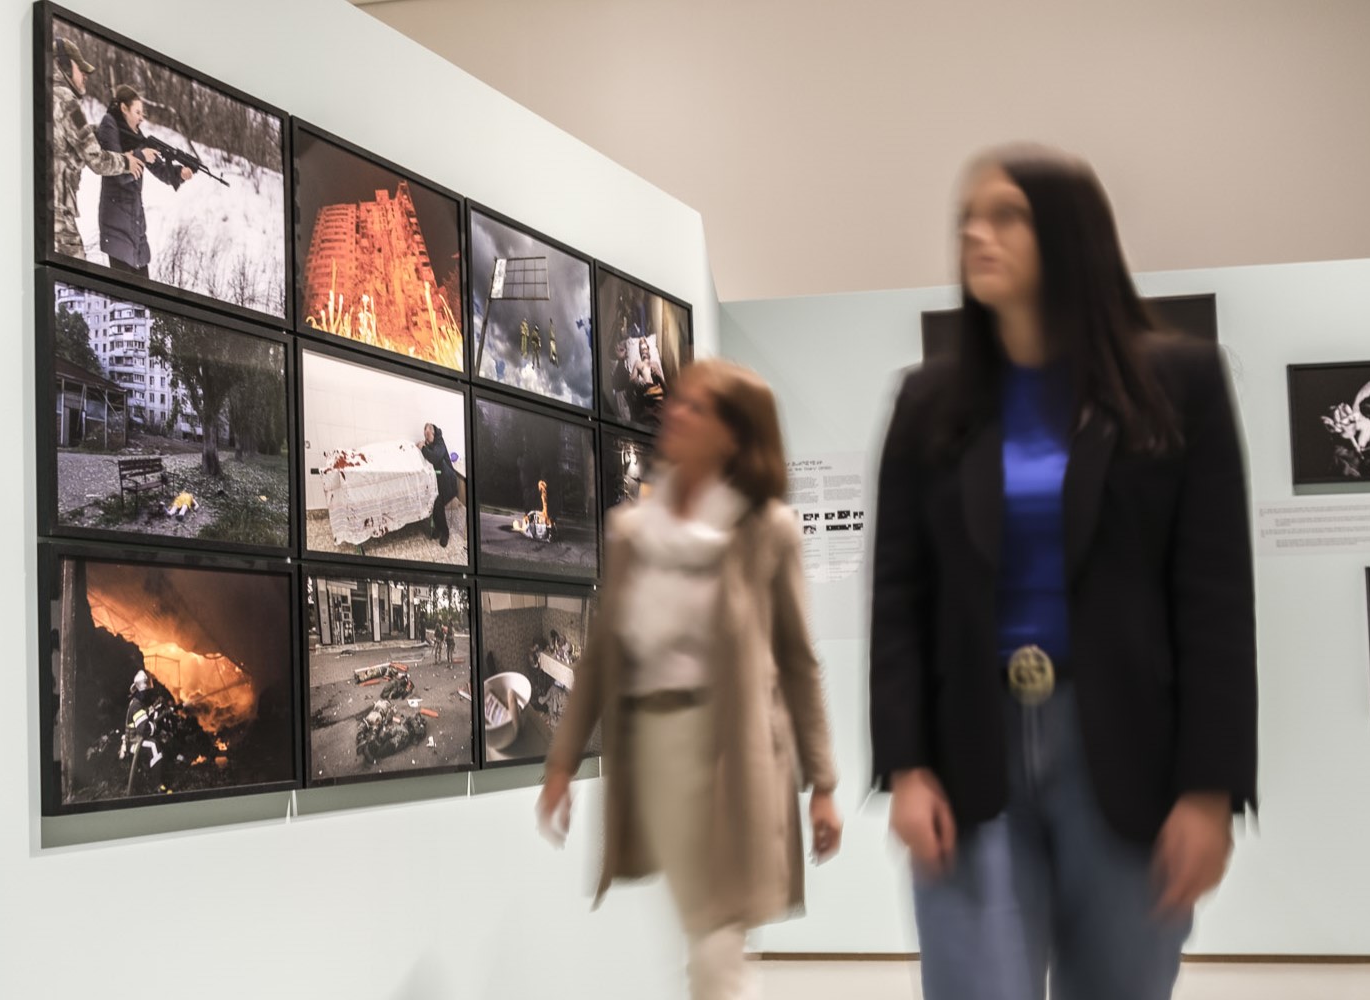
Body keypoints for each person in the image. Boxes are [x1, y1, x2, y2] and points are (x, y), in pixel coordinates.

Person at [869, 144, 1256, 1000]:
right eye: (967, 216)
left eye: (1006, 215)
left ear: (1070, 234)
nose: (977, 233)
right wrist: (905, 765)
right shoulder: (928, 403)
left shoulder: (1177, 384)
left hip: (1123, 749)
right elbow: (898, 599)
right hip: (973, 747)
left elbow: (1216, 601)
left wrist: (1210, 789)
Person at [537, 359, 842, 1000]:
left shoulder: (768, 531)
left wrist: (823, 784)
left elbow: (796, 660)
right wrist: (561, 763)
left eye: (697, 407)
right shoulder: (632, 532)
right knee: (703, 923)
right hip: (653, 749)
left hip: (737, 748)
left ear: (733, 435)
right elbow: (600, 657)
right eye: (678, 401)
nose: (674, 411)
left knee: (715, 937)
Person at [51, 37, 144, 258]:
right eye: (80, 68)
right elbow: (97, 160)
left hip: (37, 208)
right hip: (56, 214)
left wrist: (102, 132)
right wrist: (126, 162)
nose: (85, 76)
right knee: (74, 283)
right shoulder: (66, 101)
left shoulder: (40, 95)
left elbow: (69, 140)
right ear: (63, 65)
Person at [95, 84, 193, 276]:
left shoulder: (137, 137)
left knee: (142, 294)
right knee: (124, 298)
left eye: (143, 113)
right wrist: (140, 155)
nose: (142, 117)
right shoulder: (109, 125)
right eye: (137, 112)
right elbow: (117, 170)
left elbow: (158, 168)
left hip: (135, 224)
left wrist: (179, 173)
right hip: (117, 223)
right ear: (124, 109)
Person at [418, 423, 457, 548]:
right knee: (434, 503)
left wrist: (423, 448)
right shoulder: (431, 443)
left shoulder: (440, 443)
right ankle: (439, 528)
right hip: (439, 480)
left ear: (433, 432)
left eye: (428, 434)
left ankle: (445, 532)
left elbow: (434, 457)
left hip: (448, 481)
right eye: (425, 434)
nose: (426, 437)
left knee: (438, 504)